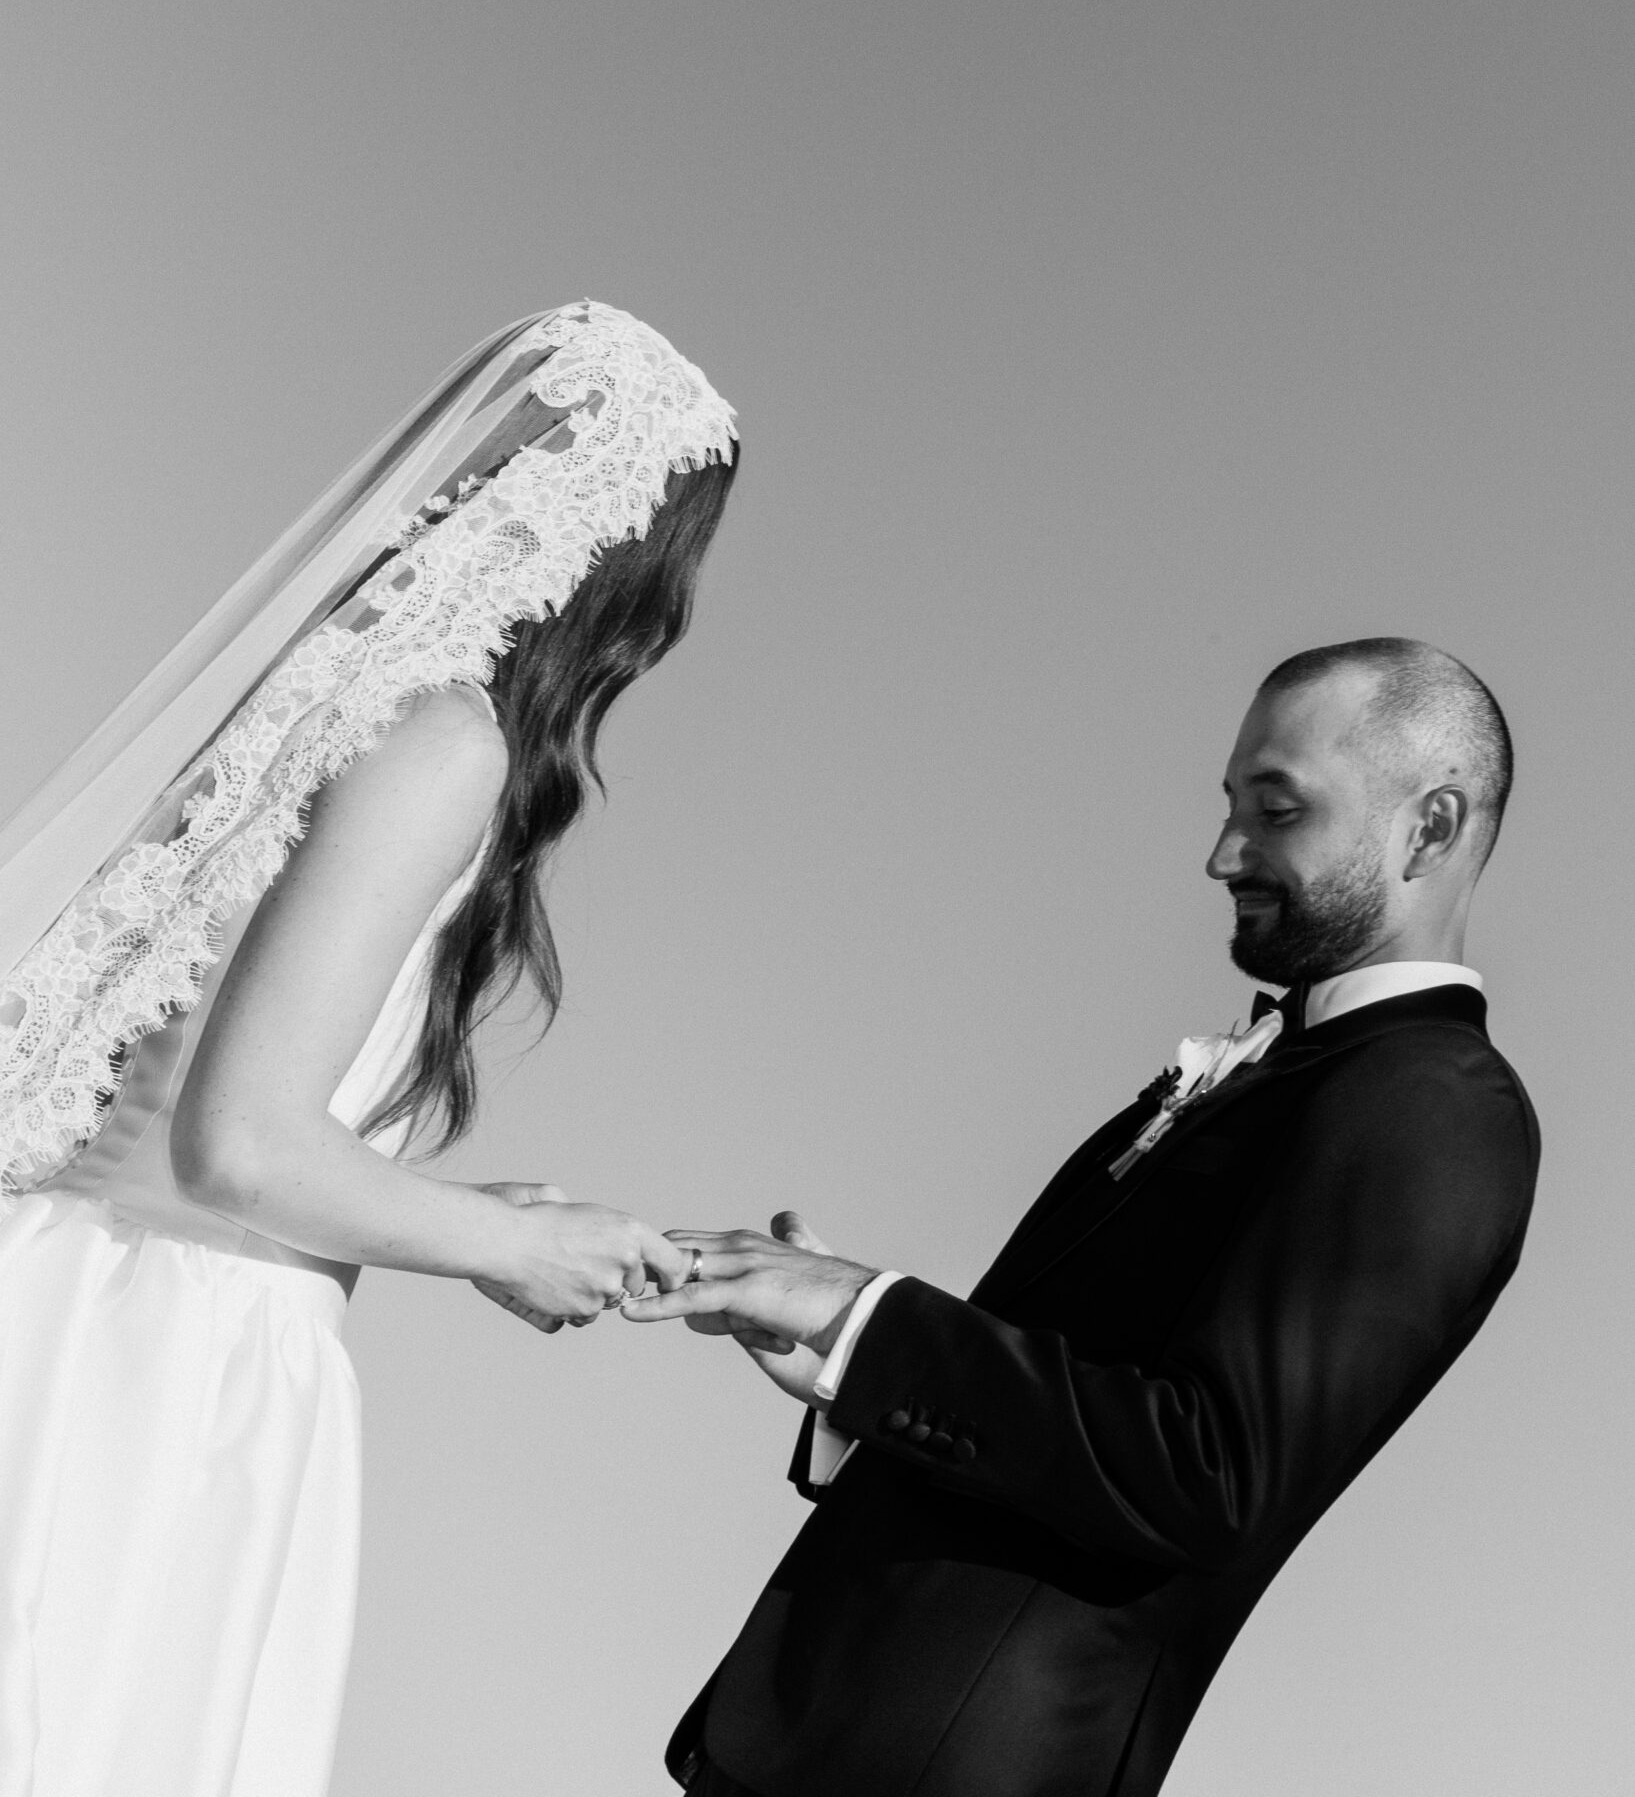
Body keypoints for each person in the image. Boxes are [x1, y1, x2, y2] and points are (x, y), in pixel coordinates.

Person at [0, 299, 737, 1797]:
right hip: (154, 1372)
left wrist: (460, 1213)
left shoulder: (321, 705)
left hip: (67, 1301)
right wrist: (509, 1244)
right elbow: (234, 1145)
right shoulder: (444, 742)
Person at [630, 639, 1541, 1797]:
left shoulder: (1435, 1104)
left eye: (1276, 809)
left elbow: (1212, 1475)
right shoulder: (1297, 1070)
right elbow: (1072, 1412)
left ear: (1430, 827)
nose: (1223, 854)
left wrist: (870, 1315)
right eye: (1230, 806)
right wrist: (844, 1367)